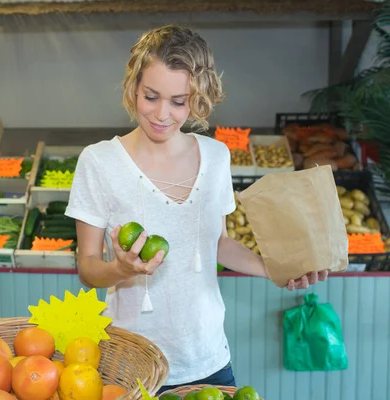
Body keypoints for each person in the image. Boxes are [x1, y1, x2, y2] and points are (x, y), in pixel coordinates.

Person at [64, 25, 328, 392]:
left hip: (207, 358)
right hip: (132, 361)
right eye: (150, 96)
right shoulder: (99, 162)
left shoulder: (216, 156)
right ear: (133, 88)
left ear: (198, 98)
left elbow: (219, 243)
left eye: (178, 101)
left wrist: (275, 270)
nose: (161, 114)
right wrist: (119, 268)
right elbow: (88, 268)